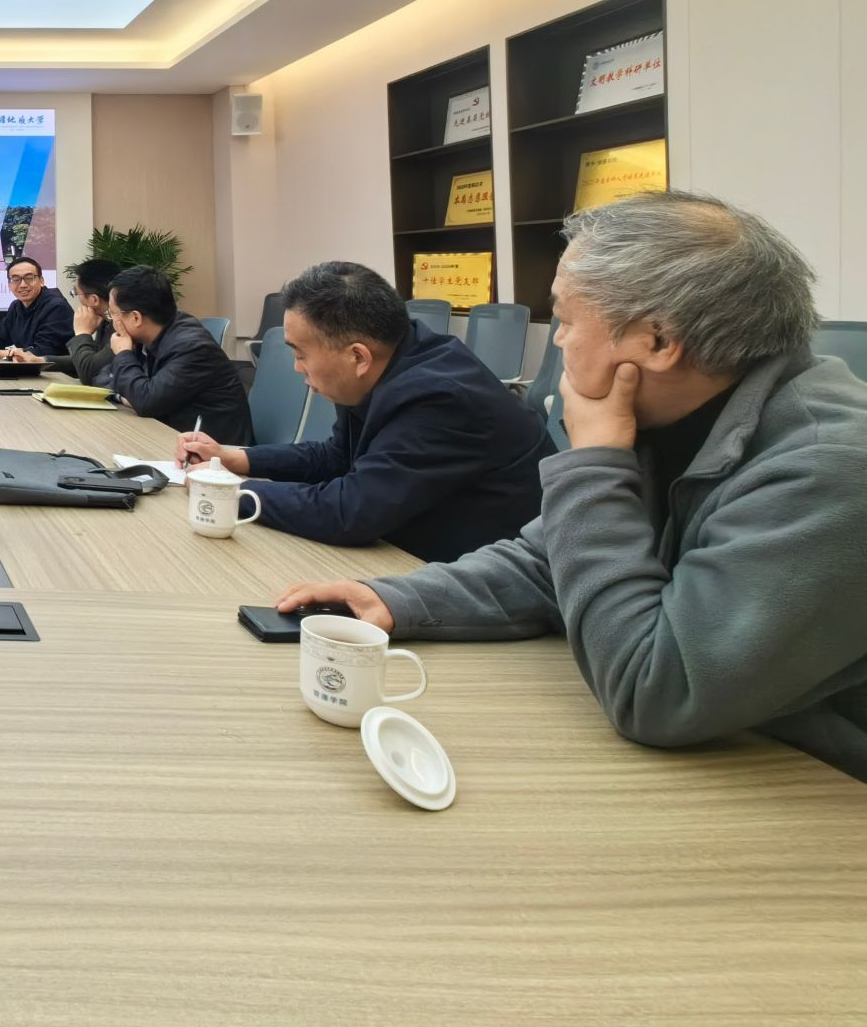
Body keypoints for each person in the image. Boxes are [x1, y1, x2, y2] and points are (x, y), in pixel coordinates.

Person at [277, 194, 867, 781]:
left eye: (565, 320)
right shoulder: (677, 412)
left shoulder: (827, 470)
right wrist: (395, 600)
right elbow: (546, 562)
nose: (556, 341)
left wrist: (594, 461)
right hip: (724, 750)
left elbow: (656, 692)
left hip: (811, 788)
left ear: (658, 343)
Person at [178, 260, 550, 562]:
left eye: (301, 354)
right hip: (414, 554)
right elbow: (336, 457)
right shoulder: (391, 361)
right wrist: (234, 458)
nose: (296, 367)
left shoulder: (440, 398)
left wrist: (230, 492)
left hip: (480, 585)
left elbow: (350, 512)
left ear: (358, 356)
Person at [103, 265, 253, 440]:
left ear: (136, 318)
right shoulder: (151, 336)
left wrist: (123, 354)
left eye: (113, 313)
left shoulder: (192, 347)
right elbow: (103, 376)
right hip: (174, 437)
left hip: (213, 450)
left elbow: (145, 401)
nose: (111, 321)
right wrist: (125, 395)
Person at [7, 258, 121, 383]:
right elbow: (87, 360)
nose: (23, 285)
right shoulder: (105, 321)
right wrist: (40, 360)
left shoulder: (120, 326)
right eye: (16, 279)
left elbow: (89, 372)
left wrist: (82, 333)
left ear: (94, 300)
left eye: (75, 293)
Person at [0, 255, 73, 361]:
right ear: (9, 285)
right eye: (16, 279)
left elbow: (43, 352)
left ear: (41, 281)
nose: (22, 285)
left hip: (57, 370)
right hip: (31, 369)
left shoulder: (57, 307)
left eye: (29, 278)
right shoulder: (16, 306)